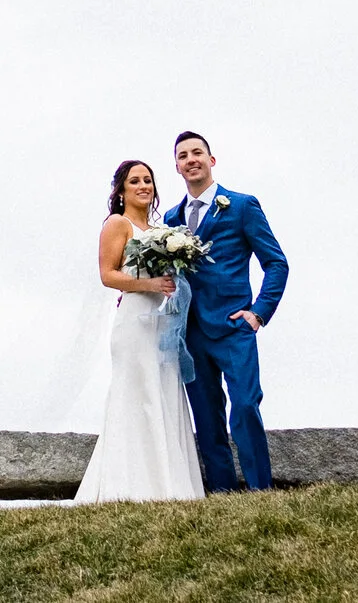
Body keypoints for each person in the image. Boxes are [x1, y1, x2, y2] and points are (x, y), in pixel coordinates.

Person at [71, 159, 206, 502]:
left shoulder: (162, 231)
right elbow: (108, 274)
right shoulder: (118, 224)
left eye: (148, 180)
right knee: (137, 394)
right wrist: (148, 284)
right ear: (121, 190)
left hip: (163, 323)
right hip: (133, 323)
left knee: (163, 392)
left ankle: (169, 483)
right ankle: (129, 485)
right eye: (135, 181)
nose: (144, 186)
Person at [166, 130, 288, 492]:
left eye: (197, 153)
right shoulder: (171, 219)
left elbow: (276, 263)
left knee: (246, 404)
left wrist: (258, 312)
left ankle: (260, 489)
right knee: (207, 419)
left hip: (235, 327)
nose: (191, 160)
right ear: (177, 167)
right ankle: (221, 492)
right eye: (183, 156)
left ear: (211, 160)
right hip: (190, 332)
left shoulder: (242, 205)